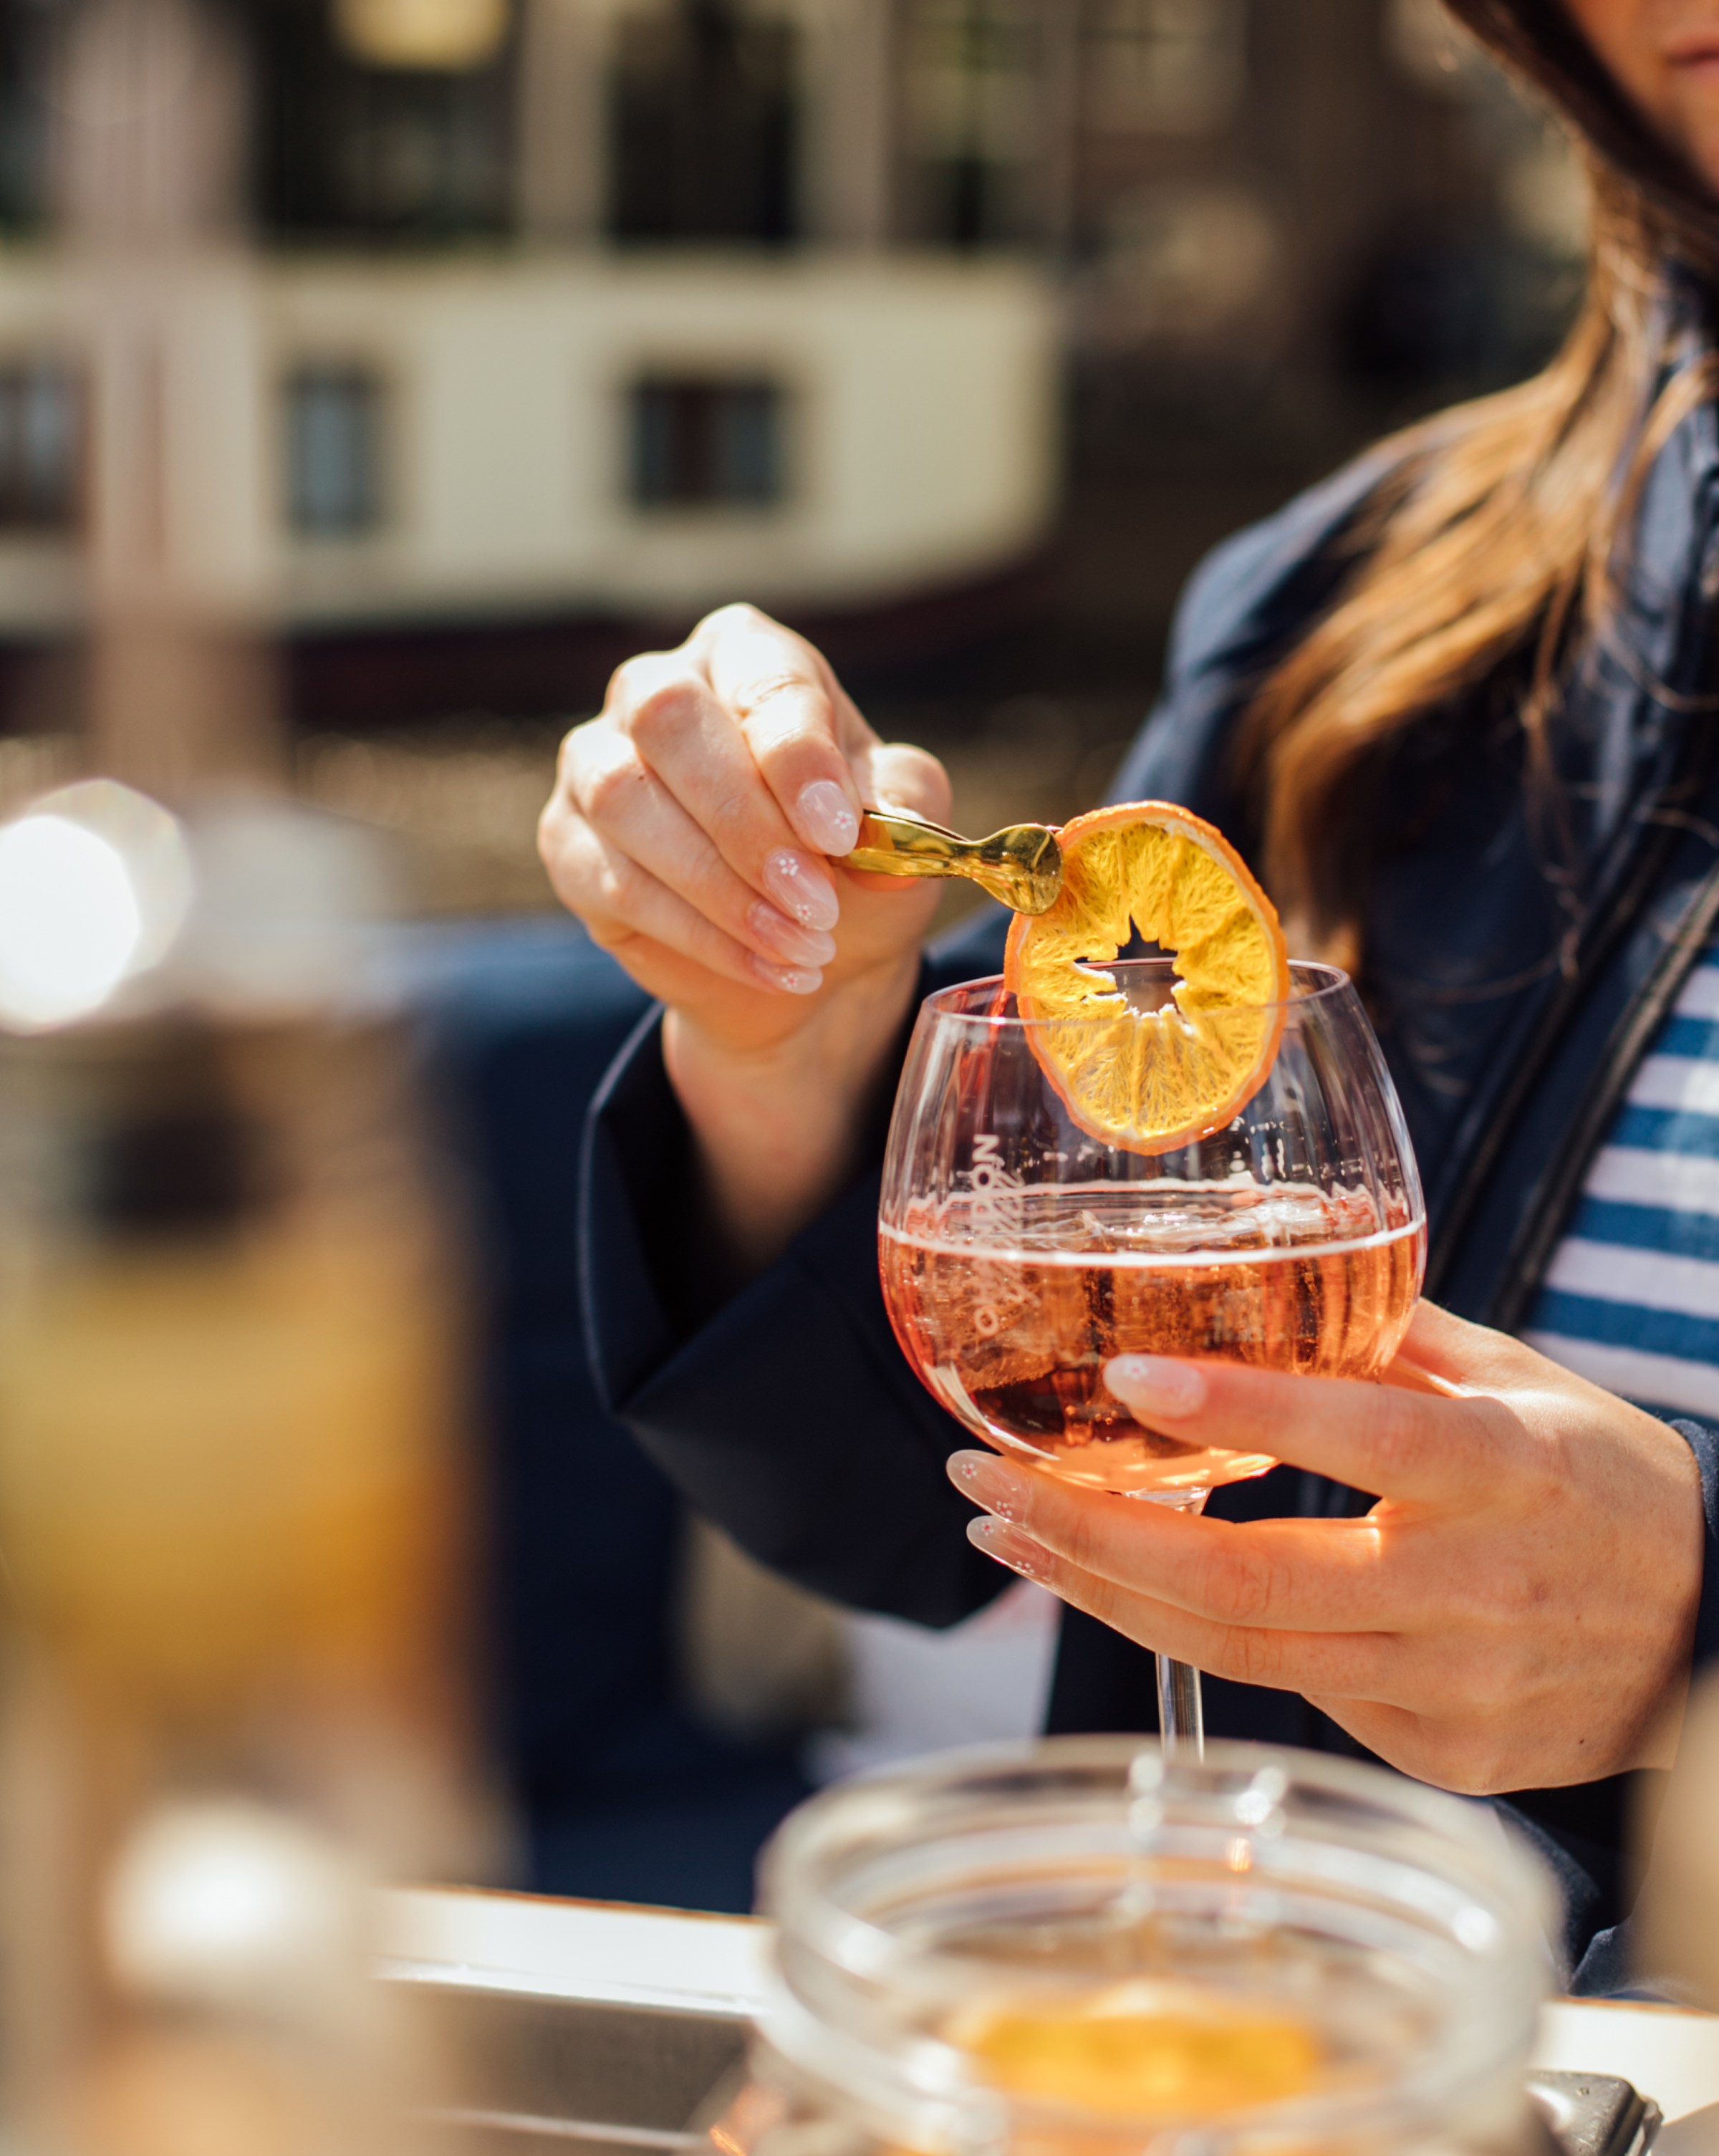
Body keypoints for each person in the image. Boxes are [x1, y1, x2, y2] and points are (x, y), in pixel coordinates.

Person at [541, 0, 1719, 1986]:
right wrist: (788, 1045)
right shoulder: (1345, 615)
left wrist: (1697, 1623)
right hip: (1291, 2090)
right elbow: (930, 1519)